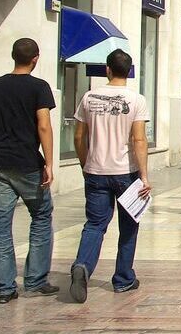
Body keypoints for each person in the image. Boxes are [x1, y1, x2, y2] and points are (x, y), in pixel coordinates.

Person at [0, 38, 59, 303]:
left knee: (0, 225)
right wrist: (48, 162)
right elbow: (44, 126)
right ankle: (35, 280)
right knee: (41, 216)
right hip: (28, 164)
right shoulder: (39, 88)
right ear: (35, 58)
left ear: (13, 56)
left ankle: (4, 289)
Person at [68, 50, 151, 303]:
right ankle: (123, 279)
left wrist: (86, 163)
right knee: (129, 226)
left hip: (95, 171)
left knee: (94, 224)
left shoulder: (89, 97)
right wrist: (145, 176)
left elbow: (79, 137)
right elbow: (138, 139)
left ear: (107, 69)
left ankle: (82, 264)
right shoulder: (136, 100)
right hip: (126, 172)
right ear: (129, 71)